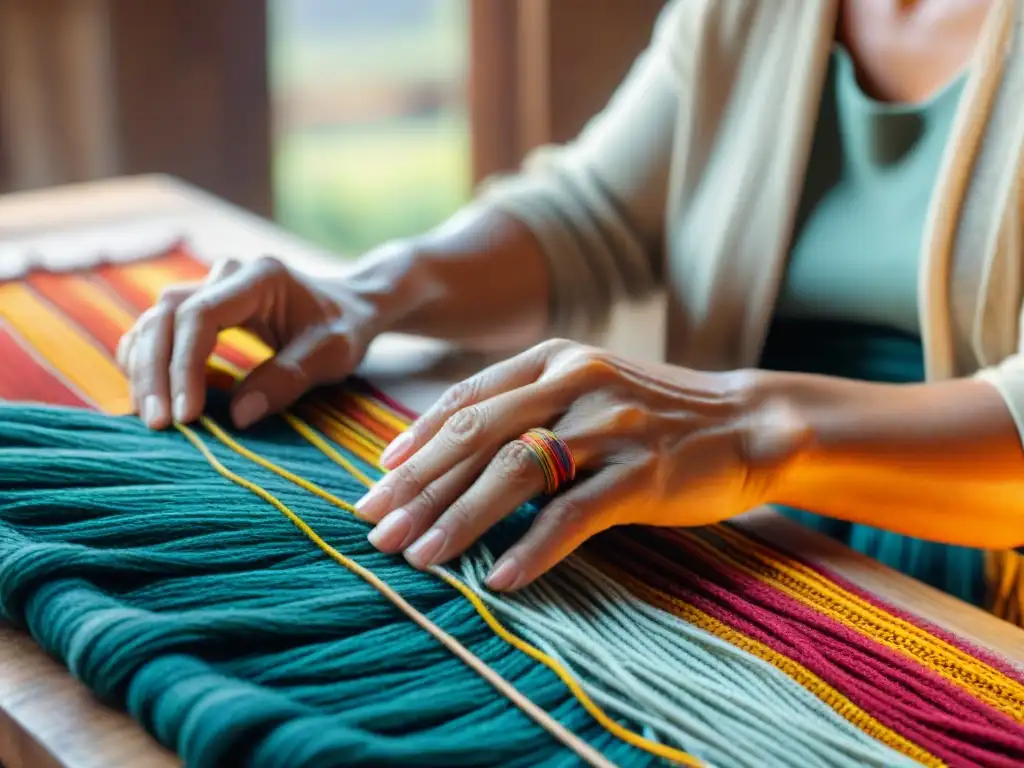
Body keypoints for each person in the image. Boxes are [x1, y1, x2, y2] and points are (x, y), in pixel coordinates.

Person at [117, 0, 1024, 622]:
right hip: (744, 520)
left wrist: (751, 431)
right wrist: (366, 292)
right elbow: (590, 213)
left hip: (967, 573)